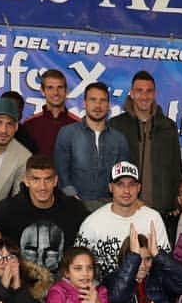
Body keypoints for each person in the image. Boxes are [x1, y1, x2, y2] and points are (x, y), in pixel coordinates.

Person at [0, 154, 88, 272]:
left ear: (55, 181)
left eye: (48, 179)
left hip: (62, 282)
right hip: (20, 279)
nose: (42, 187)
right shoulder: (10, 208)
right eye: (36, 179)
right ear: (26, 181)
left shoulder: (72, 208)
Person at [75, 162, 171, 280]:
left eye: (132, 184)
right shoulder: (92, 223)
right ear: (111, 187)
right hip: (106, 294)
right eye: (120, 184)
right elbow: (77, 267)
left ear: (139, 188)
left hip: (147, 292)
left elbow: (165, 264)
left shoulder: (153, 218)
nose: (126, 190)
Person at [109, 70, 182, 214]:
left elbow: (176, 167)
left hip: (161, 207)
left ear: (154, 94)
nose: (144, 96)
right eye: (139, 91)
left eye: (149, 91)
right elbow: (109, 167)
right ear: (131, 93)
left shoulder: (168, 126)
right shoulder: (116, 125)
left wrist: (175, 201)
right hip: (126, 206)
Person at [55, 82, 131, 210]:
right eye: (93, 100)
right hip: (73, 206)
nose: (98, 105)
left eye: (102, 100)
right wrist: (72, 197)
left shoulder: (119, 139)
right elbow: (61, 172)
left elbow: (123, 177)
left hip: (109, 208)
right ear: (84, 103)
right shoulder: (67, 133)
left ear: (108, 105)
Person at [107, 224, 182, 303]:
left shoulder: (158, 277)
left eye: (147, 259)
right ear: (127, 259)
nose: (142, 265)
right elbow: (116, 298)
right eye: (138, 260)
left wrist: (157, 254)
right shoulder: (114, 279)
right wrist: (133, 258)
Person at [23, 69, 79, 158]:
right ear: (42, 91)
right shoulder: (30, 125)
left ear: (66, 91)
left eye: (60, 87)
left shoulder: (78, 125)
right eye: (50, 87)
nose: (56, 93)